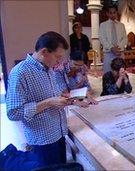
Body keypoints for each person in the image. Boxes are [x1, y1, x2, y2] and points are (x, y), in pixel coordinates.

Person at [5, 31, 85, 168]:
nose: (59, 61)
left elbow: (52, 95)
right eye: (57, 57)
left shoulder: (49, 69)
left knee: (61, 167)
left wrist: (71, 99)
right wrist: (48, 103)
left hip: (58, 133)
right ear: (44, 52)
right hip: (42, 140)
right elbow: (13, 112)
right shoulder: (20, 72)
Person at [99, 4, 127, 73]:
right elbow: (102, 39)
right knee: (108, 73)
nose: (113, 15)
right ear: (107, 14)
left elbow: (125, 38)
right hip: (108, 52)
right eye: (110, 13)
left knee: (120, 73)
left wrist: (119, 48)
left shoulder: (121, 25)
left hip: (119, 52)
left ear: (116, 13)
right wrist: (112, 48)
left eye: (114, 12)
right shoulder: (103, 25)